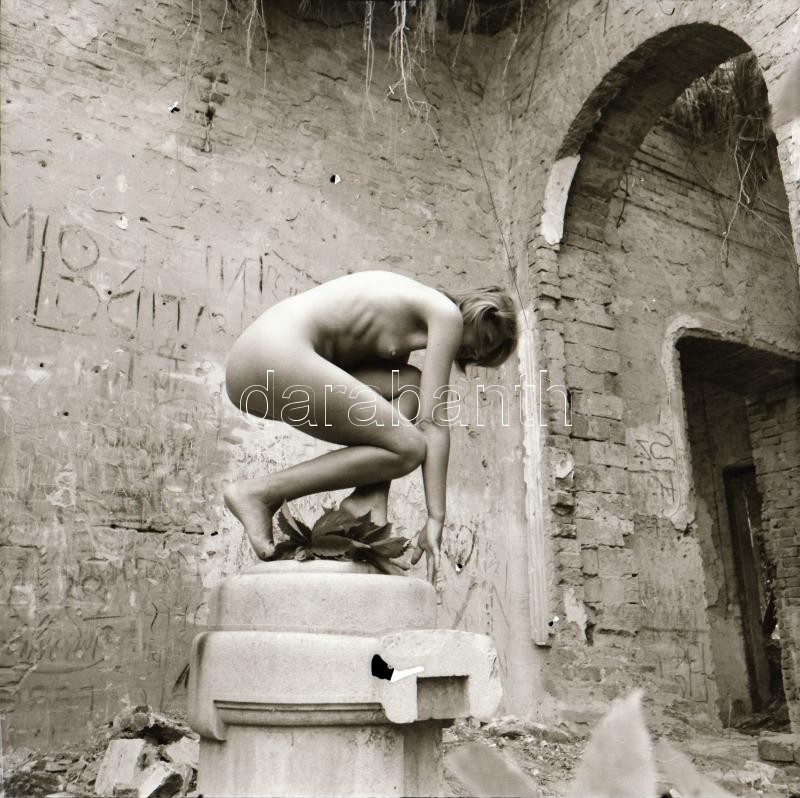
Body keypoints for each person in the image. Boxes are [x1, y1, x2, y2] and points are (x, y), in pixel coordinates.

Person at [223, 270, 518, 584]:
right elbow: (432, 423)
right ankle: (260, 493)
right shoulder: (446, 314)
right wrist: (435, 517)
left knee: (410, 386)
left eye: (483, 357)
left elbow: (393, 420)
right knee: (411, 447)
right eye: (485, 341)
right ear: (480, 312)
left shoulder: (411, 316)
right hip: (270, 355)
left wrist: (377, 489)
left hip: (261, 360)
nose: (476, 354)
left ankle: (367, 501)